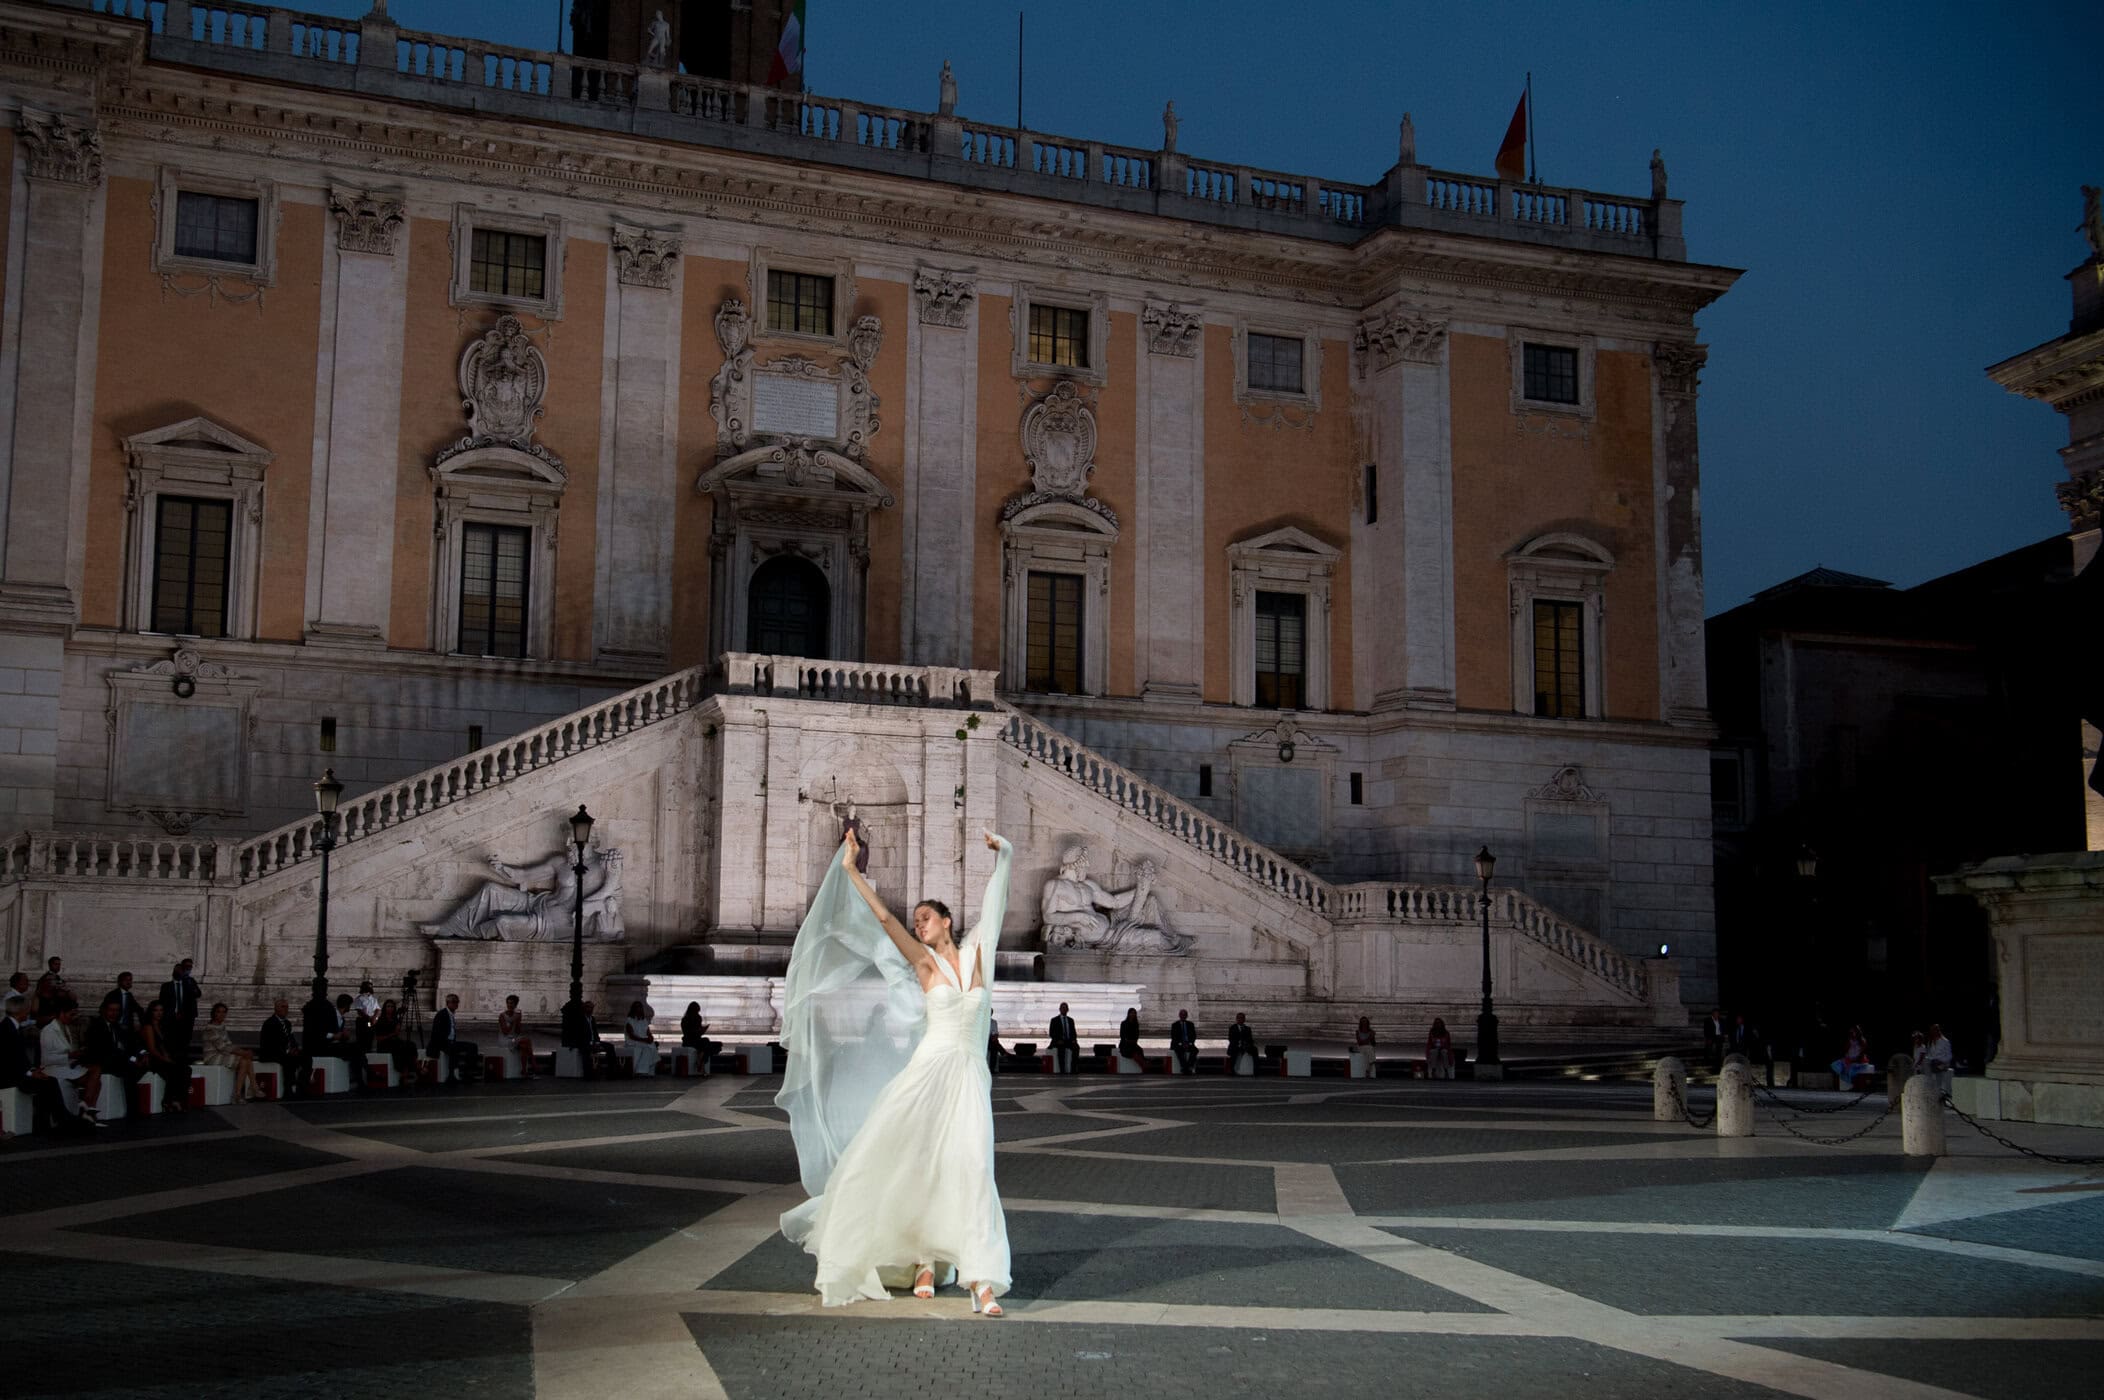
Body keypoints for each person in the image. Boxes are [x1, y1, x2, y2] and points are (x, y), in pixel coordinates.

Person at [778, 827, 1015, 1316]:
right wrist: (849, 870)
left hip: (969, 1076)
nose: (920, 924)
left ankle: (979, 1276)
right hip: (928, 1073)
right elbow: (885, 918)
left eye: (927, 918)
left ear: (947, 921)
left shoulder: (977, 955)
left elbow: (996, 905)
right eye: (918, 921)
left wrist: (1005, 856)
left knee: (972, 1168)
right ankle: (926, 1260)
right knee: (917, 1163)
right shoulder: (925, 965)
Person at [2, 993, 88, 1135]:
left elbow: (17, 1058)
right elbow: (8, 1059)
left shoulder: (10, 1027)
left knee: (48, 1081)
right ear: (22, 1011)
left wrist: (33, 1070)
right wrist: (31, 1073)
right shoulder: (7, 1029)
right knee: (48, 1082)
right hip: (9, 1077)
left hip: (16, 1072)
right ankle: (59, 1119)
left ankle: (52, 1120)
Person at [86, 999, 149, 1114]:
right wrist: (133, 1059)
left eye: (117, 1011)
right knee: (130, 1070)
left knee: (143, 1064)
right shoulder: (97, 1026)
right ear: (104, 1010)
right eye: (111, 1010)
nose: (114, 1013)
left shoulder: (118, 1026)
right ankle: (133, 1111)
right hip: (103, 1061)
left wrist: (143, 1053)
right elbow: (108, 1050)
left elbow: (132, 1042)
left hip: (119, 1059)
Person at [41, 1001, 101, 1119]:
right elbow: (46, 1059)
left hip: (67, 1065)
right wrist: (69, 1056)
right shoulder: (48, 1031)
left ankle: (87, 1107)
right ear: (62, 1013)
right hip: (53, 1068)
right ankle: (86, 1107)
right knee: (93, 1079)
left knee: (97, 1075)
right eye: (71, 1014)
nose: (73, 1018)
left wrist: (77, 1056)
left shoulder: (66, 1028)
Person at [199, 1002, 266, 1103]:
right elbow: (222, 1047)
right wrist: (243, 1053)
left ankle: (239, 1094)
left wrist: (243, 1052)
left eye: (224, 1012)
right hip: (213, 1056)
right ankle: (252, 1087)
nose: (221, 1014)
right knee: (245, 1059)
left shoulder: (222, 1026)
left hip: (223, 1054)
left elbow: (229, 1044)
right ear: (214, 1013)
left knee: (245, 1060)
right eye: (219, 1012)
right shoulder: (210, 1028)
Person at [139, 1000, 191, 1112]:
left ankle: (177, 1099)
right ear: (151, 1012)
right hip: (153, 1058)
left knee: (186, 1069)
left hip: (163, 1055)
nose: (159, 1013)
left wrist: (168, 1056)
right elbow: (152, 1049)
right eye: (156, 1010)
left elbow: (164, 1045)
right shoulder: (148, 1026)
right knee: (174, 1069)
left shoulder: (163, 1025)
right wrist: (166, 1059)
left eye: (161, 1010)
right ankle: (169, 1100)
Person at [428, 993, 480, 1083]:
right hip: (442, 1043)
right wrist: (448, 1041)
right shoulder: (442, 1014)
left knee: (473, 1046)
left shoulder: (450, 1014)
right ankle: (451, 1075)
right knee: (453, 1049)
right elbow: (437, 1033)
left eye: (457, 1002)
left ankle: (468, 1073)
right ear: (448, 1003)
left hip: (450, 1042)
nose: (457, 1004)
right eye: (454, 1002)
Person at [258, 998, 305, 1097]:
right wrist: (288, 1051)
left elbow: (291, 1039)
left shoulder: (287, 1023)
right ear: (276, 1008)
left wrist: (295, 1048)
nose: (286, 1009)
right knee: (288, 1059)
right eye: (283, 1007)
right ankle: (288, 1089)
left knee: (306, 1057)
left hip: (284, 1052)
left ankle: (302, 1086)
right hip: (271, 1052)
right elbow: (271, 1044)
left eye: (287, 1007)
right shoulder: (270, 1023)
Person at [563, 999, 619, 1076]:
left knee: (610, 1047)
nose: (590, 1009)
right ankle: (588, 1073)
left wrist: (597, 1042)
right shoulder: (580, 1019)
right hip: (584, 1042)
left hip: (593, 1041)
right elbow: (578, 1034)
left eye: (591, 1008)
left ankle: (612, 1071)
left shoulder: (592, 1019)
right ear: (584, 1008)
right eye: (588, 1007)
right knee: (586, 1050)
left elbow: (595, 1032)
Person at [160, 959, 202, 1058]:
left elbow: (198, 994)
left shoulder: (189, 982)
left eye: (189, 967)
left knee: (185, 1041)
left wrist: (188, 981)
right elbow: (162, 1002)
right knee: (171, 1040)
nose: (187, 969)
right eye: (178, 969)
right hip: (171, 1018)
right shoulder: (166, 986)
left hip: (187, 1018)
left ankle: (183, 1059)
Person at [370, 1000, 418, 1085]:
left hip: (394, 1041)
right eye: (388, 1006)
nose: (390, 1008)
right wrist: (392, 1034)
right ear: (385, 1008)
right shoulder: (380, 1021)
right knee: (400, 1048)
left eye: (392, 1006)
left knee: (411, 1045)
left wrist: (397, 1030)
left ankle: (412, 1068)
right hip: (384, 1044)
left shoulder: (395, 1020)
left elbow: (397, 1034)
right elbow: (379, 1038)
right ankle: (404, 1073)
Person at [497, 994, 537, 1076]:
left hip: (513, 1039)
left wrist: (518, 1021)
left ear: (515, 1005)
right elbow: (505, 1032)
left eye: (511, 1003)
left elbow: (518, 1032)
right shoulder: (502, 1016)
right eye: (508, 1003)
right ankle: (534, 1065)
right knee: (526, 1041)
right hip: (505, 1040)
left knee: (524, 1045)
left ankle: (524, 1070)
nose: (509, 1005)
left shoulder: (516, 1015)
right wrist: (512, 1021)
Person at [622, 1000, 660, 1076]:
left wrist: (650, 1037)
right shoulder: (629, 1020)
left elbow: (648, 1032)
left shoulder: (644, 1020)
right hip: (633, 1042)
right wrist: (644, 1040)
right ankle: (642, 1070)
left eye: (640, 1007)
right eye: (637, 1007)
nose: (638, 1009)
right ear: (633, 1009)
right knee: (649, 1047)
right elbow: (631, 1035)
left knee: (651, 1046)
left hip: (643, 1041)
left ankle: (643, 1070)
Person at [679, 1002, 717, 1074]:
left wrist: (702, 1030)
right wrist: (700, 1030)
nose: (698, 1013)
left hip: (694, 1040)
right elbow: (689, 1033)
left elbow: (698, 1032)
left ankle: (700, 1060)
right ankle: (701, 1062)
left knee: (710, 1044)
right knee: (707, 1043)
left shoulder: (693, 1018)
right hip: (690, 1040)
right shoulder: (686, 1020)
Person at [1922, 1022, 1955, 1100]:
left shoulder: (1945, 1041)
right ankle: (1928, 1086)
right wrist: (1932, 1059)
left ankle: (1939, 1090)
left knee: (1936, 1069)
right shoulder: (1930, 1042)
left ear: (1938, 1031)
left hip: (1942, 1063)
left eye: (1935, 1030)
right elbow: (1929, 1055)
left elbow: (1949, 1056)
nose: (1933, 1032)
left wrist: (1940, 1060)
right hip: (1933, 1062)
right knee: (1925, 1062)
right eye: (1932, 1031)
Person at [1047, 1002, 1079, 1075]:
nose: (1064, 1010)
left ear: (1068, 1010)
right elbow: (1051, 1033)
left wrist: (1074, 1040)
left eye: (1065, 1008)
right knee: (1061, 1049)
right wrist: (1058, 1040)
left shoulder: (1071, 1020)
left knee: (1076, 1048)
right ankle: (1062, 1070)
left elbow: (1073, 1032)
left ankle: (1073, 1069)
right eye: (1062, 1008)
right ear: (1060, 1009)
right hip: (1058, 1041)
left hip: (1069, 1041)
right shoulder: (1054, 1020)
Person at [1169, 1009, 1199, 1075]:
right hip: (1178, 1044)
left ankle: (1186, 1067)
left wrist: (1189, 1043)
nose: (1183, 1016)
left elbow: (1193, 1036)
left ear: (1187, 1016)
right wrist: (1182, 1043)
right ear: (1179, 1015)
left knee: (1195, 1050)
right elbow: (1173, 1037)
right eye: (1182, 1015)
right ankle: (1186, 1067)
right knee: (1179, 1050)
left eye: (1184, 1015)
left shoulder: (1190, 1024)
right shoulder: (1175, 1025)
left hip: (1188, 1043)